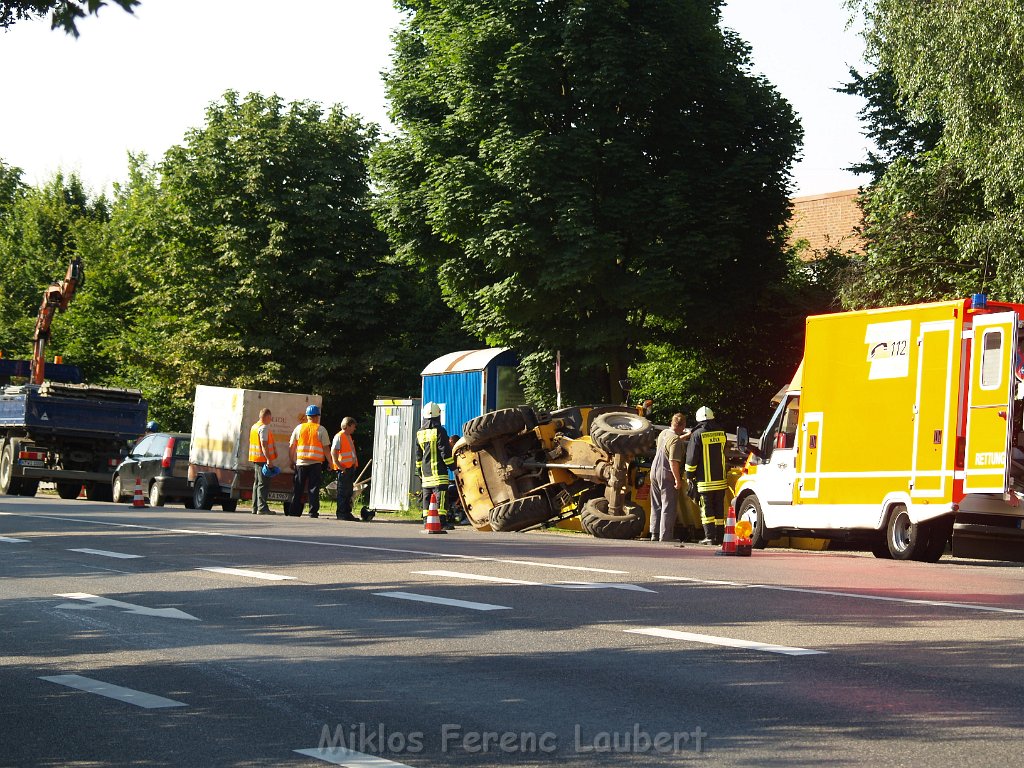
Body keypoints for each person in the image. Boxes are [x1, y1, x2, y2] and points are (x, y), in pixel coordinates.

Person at [685, 405, 728, 545]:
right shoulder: (721, 432)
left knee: (706, 509)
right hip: (720, 479)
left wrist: (689, 475)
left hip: (705, 481)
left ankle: (709, 537)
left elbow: (692, 458)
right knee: (719, 509)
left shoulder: (697, 434)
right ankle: (720, 537)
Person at [287, 404, 335, 518]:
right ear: (317, 416)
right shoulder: (321, 429)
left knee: (298, 488)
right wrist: (331, 462)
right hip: (315, 464)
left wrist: (291, 460)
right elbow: (326, 448)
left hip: (301, 463)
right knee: (313, 489)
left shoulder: (299, 428)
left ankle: (294, 511)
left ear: (307, 416)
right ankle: (313, 512)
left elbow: (292, 446)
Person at [649, 413, 687, 543]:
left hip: (654, 471)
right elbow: (673, 462)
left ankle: (654, 533)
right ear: (683, 426)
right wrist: (677, 479)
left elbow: (670, 442)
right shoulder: (675, 440)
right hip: (666, 473)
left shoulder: (664, 433)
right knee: (668, 505)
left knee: (656, 504)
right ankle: (665, 536)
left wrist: (683, 437)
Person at [417, 402, 454, 529]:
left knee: (427, 497)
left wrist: (419, 471)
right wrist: (454, 467)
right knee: (441, 497)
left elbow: (418, 456)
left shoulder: (420, 433)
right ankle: (442, 522)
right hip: (438, 472)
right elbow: (445, 452)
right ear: (438, 416)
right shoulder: (440, 431)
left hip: (425, 473)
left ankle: (426, 521)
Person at [248, 407, 278, 515]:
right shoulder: (263, 428)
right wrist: (269, 459)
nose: (271, 420)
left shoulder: (254, 427)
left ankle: (255, 507)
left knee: (257, 483)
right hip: (262, 459)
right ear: (267, 417)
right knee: (263, 484)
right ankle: (262, 508)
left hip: (255, 458)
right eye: (270, 418)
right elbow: (264, 445)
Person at [331, 417, 359, 521]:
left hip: (349, 468)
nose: (354, 428)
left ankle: (347, 513)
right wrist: (339, 466)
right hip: (344, 469)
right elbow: (333, 452)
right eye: (353, 426)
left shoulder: (348, 436)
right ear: (347, 425)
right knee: (342, 492)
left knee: (348, 492)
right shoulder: (339, 436)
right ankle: (342, 513)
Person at [445, 433, 465, 525]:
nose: (449, 446)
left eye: (451, 443)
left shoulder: (461, 455)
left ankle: (462, 514)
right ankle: (450, 513)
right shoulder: (454, 455)